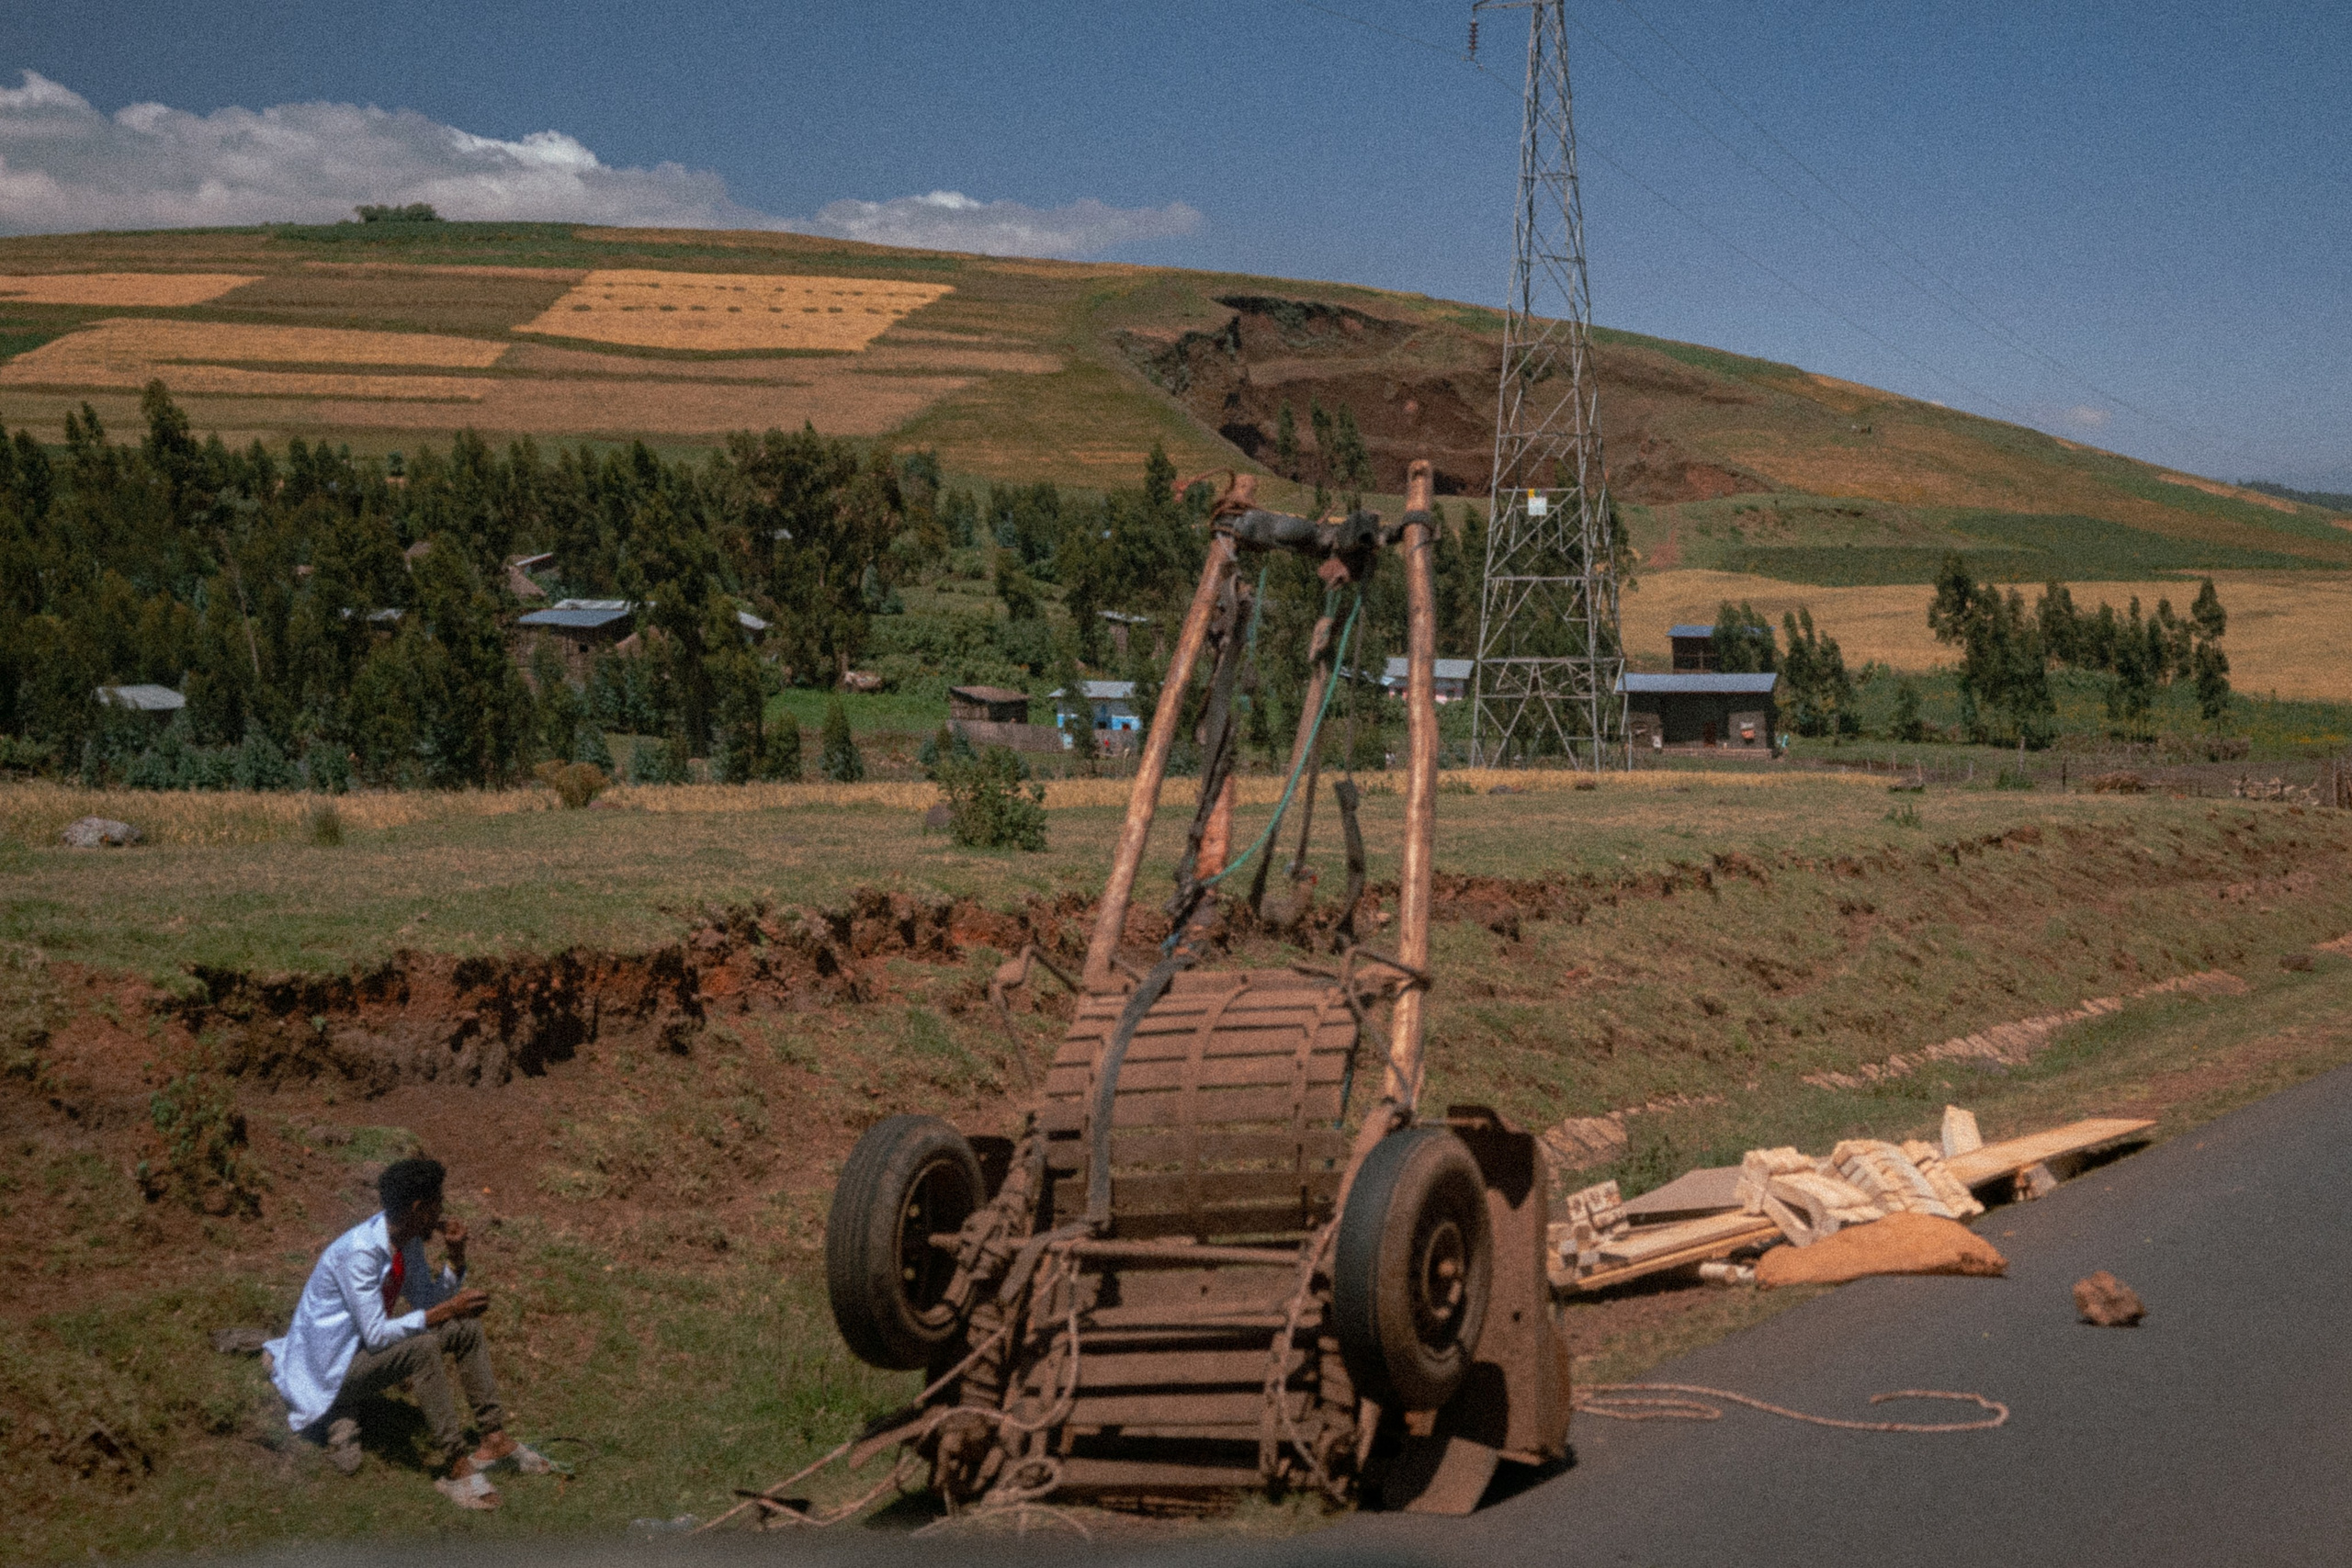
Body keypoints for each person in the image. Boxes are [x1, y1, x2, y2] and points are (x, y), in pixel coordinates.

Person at [265, 1156, 548, 1509]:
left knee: (465, 1327)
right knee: (423, 1347)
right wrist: (447, 1310)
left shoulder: (406, 1241)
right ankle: (456, 1465)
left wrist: (455, 1259)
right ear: (419, 1208)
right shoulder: (361, 1254)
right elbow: (377, 1336)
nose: (442, 1212)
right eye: (437, 1203)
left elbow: (426, 1300)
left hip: (362, 1354)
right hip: (332, 1371)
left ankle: (494, 1439)